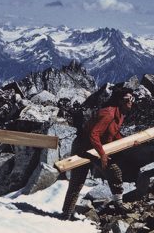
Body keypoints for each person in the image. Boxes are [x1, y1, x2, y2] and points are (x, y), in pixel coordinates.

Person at [61, 86, 135, 219]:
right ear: (119, 101)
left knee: (115, 172)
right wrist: (103, 155)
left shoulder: (120, 114)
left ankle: (118, 204)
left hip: (97, 148)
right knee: (77, 181)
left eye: (132, 98)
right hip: (83, 148)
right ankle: (66, 213)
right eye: (127, 99)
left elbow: (114, 132)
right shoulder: (108, 113)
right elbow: (94, 134)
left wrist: (127, 142)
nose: (131, 101)